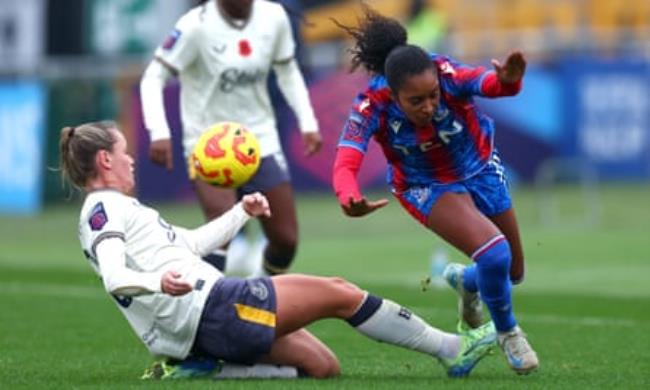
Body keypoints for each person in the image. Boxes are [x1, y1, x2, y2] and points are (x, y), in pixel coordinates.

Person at [59, 121, 498, 380]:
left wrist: (241, 213)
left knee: (323, 367)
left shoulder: (118, 208)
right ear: (104, 161)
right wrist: (158, 281)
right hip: (207, 307)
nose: (132, 159)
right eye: (125, 152)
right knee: (340, 292)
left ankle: (205, 365)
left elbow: (188, 245)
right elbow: (116, 276)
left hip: (198, 316)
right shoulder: (103, 211)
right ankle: (452, 349)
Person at [332, 7, 539, 375]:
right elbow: (346, 160)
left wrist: (507, 81)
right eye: (416, 101)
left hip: (480, 166)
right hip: (424, 185)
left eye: (433, 97)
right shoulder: (370, 105)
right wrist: (348, 196)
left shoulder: (444, 74)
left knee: (512, 272)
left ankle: (465, 280)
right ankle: (508, 332)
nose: (429, 106)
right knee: (494, 255)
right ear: (393, 95)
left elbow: (485, 83)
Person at [140, 0, 322, 275]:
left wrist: (308, 121)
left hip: (258, 139)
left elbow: (287, 70)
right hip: (208, 142)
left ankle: (260, 292)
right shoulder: (195, 25)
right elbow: (153, 76)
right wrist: (159, 131)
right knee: (221, 229)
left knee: (285, 240)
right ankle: (203, 307)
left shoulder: (274, 17)